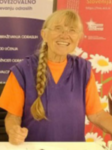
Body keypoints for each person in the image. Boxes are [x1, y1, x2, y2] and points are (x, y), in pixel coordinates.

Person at [0, 9, 112, 145]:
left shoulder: (84, 70)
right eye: (58, 28)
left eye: (72, 30)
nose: (65, 35)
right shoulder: (22, 70)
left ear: (78, 38)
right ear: (44, 35)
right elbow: (13, 117)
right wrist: (13, 131)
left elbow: (97, 115)